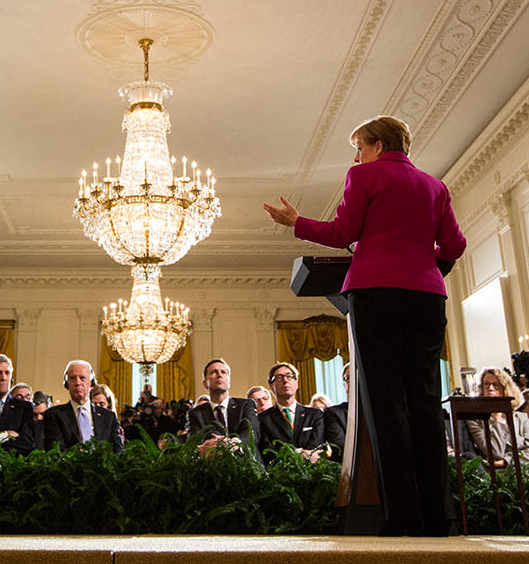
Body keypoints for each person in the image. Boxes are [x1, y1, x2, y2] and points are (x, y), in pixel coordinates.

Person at [264, 114, 466, 537]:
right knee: (426, 401)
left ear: (376, 146)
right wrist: (425, 270)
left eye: (359, 146)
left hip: (376, 294)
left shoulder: (364, 176)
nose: (356, 156)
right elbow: (454, 246)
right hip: (428, 297)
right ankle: (439, 516)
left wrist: (295, 222)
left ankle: (404, 516)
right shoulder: (435, 186)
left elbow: (342, 233)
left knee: (386, 402)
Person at [42, 360, 124, 452]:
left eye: (82, 378)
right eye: (72, 378)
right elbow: (55, 451)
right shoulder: (54, 415)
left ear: (91, 383)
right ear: (67, 384)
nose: (78, 383)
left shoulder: (108, 417)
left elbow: (118, 451)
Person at [466, 368, 529, 466]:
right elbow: (495, 452)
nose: (490, 388)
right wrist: (496, 417)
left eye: (495, 385)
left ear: (505, 389)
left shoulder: (521, 418)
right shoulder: (475, 420)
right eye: (486, 384)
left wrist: (505, 462)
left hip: (526, 472)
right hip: (497, 476)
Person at [257, 362, 325, 460]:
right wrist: (300, 454)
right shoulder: (263, 419)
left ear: (296, 383)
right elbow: (268, 451)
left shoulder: (315, 415)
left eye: (289, 376)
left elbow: (317, 446)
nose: (285, 380)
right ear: (271, 386)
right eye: (279, 377)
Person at [183, 358, 258, 442]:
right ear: (205, 384)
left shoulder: (245, 405)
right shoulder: (196, 414)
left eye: (223, 372)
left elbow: (252, 432)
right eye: (214, 372)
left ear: (229, 381)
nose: (219, 375)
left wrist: (232, 444)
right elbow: (193, 442)